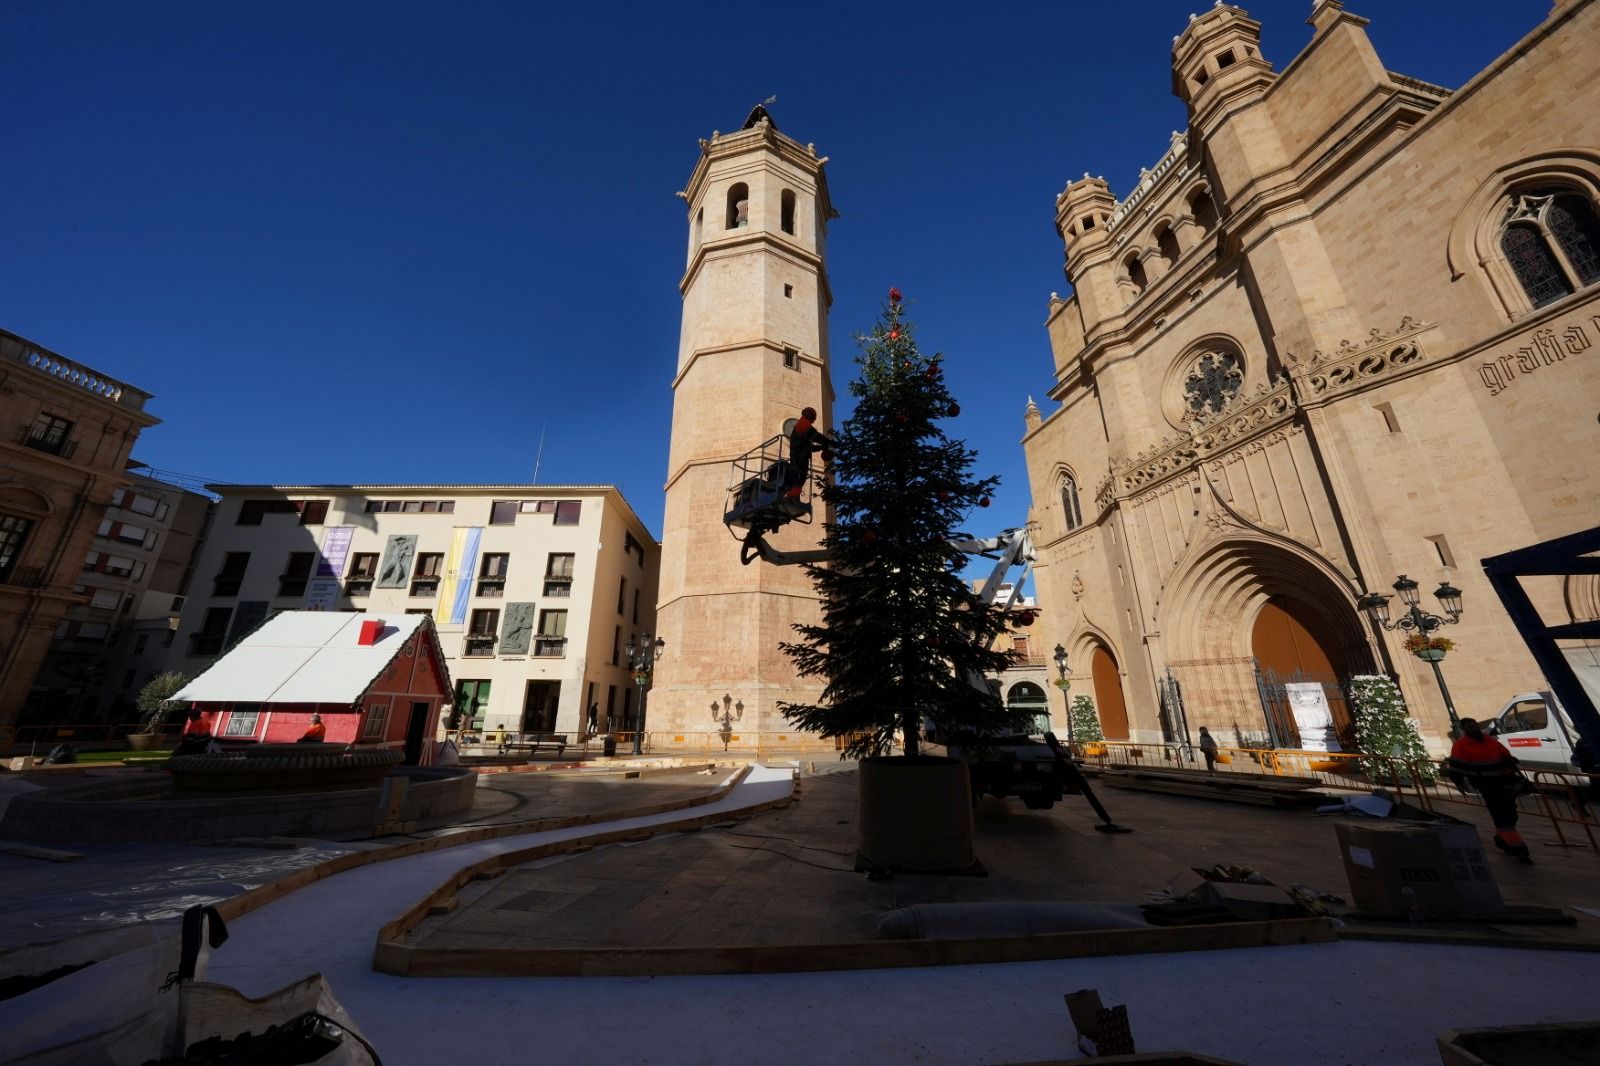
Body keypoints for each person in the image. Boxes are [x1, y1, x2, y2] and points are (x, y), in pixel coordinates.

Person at [1448, 717, 1532, 863]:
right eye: (1469, 726)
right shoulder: (1461, 746)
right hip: (1486, 784)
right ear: (1463, 729)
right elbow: (1456, 767)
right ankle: (1518, 848)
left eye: (1474, 725)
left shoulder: (1490, 741)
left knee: (1511, 812)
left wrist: (1510, 764)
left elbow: (1505, 755)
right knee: (1501, 814)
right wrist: (1459, 783)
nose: (1473, 728)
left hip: (1504, 781)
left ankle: (1501, 837)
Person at [783, 407, 833, 499]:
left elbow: (809, 447)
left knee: (799, 475)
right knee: (798, 475)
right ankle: (793, 496)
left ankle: (793, 496)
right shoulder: (803, 423)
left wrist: (821, 447)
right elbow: (814, 435)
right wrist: (828, 442)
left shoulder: (801, 424)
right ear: (811, 416)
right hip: (799, 455)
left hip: (800, 454)